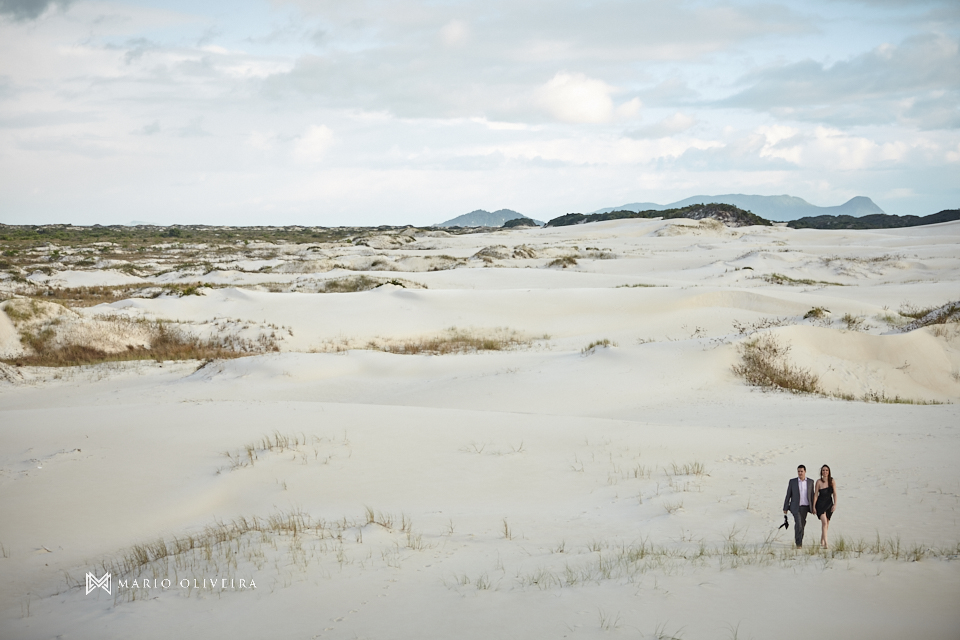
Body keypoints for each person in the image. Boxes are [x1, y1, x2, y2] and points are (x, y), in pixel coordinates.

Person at [783, 464, 814, 548]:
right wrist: (785, 507)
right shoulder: (792, 481)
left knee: (802, 525)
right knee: (799, 524)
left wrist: (814, 507)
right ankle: (798, 544)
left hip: (805, 507)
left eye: (801, 471)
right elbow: (788, 494)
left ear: (805, 472)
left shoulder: (810, 482)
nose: (800, 473)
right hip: (795, 507)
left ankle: (799, 540)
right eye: (798, 471)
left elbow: (812, 495)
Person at [812, 464, 837, 548]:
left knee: (827, 523)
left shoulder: (832, 481)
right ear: (821, 472)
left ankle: (822, 540)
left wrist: (835, 504)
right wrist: (813, 506)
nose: (825, 472)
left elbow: (835, 494)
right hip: (820, 504)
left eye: (826, 470)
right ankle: (826, 543)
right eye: (823, 470)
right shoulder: (819, 482)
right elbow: (815, 495)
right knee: (824, 522)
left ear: (829, 471)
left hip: (829, 503)